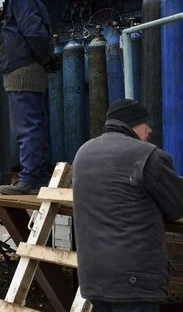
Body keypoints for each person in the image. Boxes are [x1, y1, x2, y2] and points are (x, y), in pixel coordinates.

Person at [73, 99, 183, 312]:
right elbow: (177, 205)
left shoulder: (82, 154)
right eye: (146, 123)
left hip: (94, 277)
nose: (149, 130)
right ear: (134, 123)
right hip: (135, 282)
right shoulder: (148, 156)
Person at [0, 0, 56, 195]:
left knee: (26, 126)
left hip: (22, 70)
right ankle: (36, 175)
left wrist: (43, 58)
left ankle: (29, 178)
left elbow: (34, 33)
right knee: (34, 124)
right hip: (28, 69)